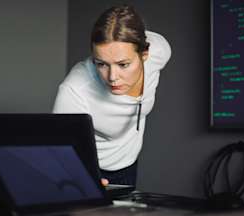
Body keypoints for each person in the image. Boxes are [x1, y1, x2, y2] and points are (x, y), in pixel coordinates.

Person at [53, 5, 171, 186]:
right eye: (101, 64)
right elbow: (59, 153)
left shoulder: (159, 51)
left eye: (123, 64)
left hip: (129, 164)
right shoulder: (75, 89)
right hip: (91, 169)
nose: (112, 77)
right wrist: (81, 178)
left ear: (144, 54)